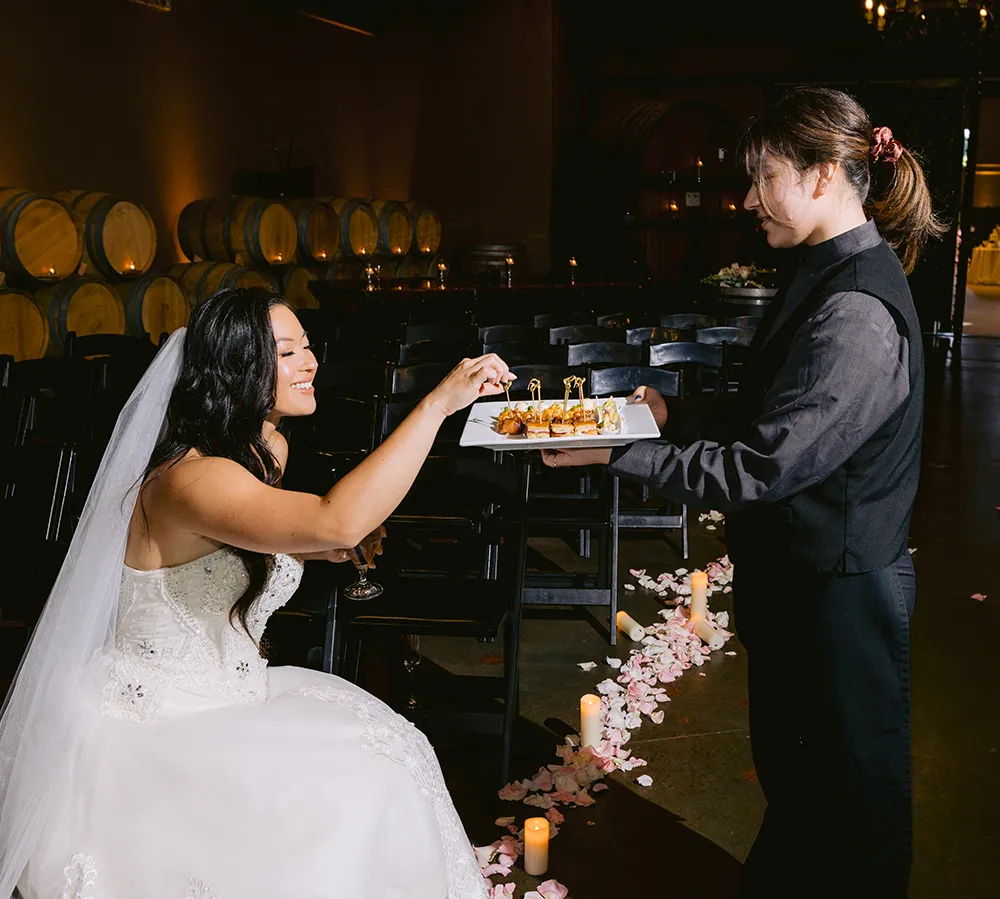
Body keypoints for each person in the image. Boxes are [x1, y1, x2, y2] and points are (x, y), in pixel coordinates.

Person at [542, 86, 944, 898]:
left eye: (764, 177)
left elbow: (762, 468)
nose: (748, 197)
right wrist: (670, 412)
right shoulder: (823, 274)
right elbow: (778, 407)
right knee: (805, 800)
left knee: (851, 821)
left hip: (841, 602)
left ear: (826, 175)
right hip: (805, 591)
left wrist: (616, 450)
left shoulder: (859, 310)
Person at [1, 288, 512, 899]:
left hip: (238, 688)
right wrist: (436, 406)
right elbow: (335, 518)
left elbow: (239, 544)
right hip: (161, 717)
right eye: (287, 352)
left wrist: (302, 545)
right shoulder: (191, 476)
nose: (311, 362)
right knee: (350, 791)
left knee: (396, 752)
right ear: (235, 368)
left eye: (308, 346)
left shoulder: (264, 448)